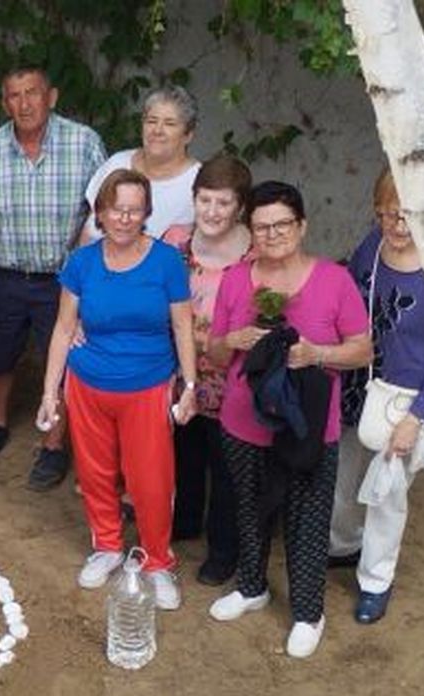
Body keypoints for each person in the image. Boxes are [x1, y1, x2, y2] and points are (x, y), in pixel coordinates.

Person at [206, 180, 372, 659]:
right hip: (243, 420)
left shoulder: (334, 281)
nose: (273, 234)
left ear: (301, 226)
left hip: (307, 426)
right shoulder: (237, 279)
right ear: (250, 232)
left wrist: (317, 353)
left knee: (307, 518)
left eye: (282, 224)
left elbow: (362, 350)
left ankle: (307, 613)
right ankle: (252, 587)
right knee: (249, 507)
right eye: (262, 227)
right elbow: (215, 354)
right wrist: (232, 339)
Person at [37, 169, 196, 610]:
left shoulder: (166, 260)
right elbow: (65, 328)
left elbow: (182, 323)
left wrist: (190, 382)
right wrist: (51, 392)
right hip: (88, 384)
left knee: (151, 480)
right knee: (94, 473)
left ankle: (158, 561)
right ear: (100, 213)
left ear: (146, 212)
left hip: (147, 386)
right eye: (116, 209)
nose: (125, 218)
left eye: (134, 209)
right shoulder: (82, 262)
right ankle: (107, 546)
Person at [0, 63, 104, 485]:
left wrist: (88, 280)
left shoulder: (84, 144)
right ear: (5, 102)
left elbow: (102, 214)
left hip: (63, 281)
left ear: (52, 96)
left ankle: (54, 445)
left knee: (60, 363)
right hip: (4, 276)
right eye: (13, 95)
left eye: (32, 93)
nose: (24, 103)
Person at [329, 167, 424, 624]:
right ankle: (344, 545)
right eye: (388, 215)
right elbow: (348, 295)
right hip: (358, 384)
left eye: (408, 217)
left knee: (387, 495)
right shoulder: (373, 247)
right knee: (343, 476)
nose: (398, 227)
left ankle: (375, 580)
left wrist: (415, 417)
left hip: (405, 399)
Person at [164, 155, 253, 587]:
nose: (212, 211)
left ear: (239, 207)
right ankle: (184, 522)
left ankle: (223, 550)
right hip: (181, 375)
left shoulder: (256, 254)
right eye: (205, 200)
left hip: (233, 380)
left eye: (223, 203)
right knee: (184, 452)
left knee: (227, 466)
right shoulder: (175, 241)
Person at [81, 86, 200, 243]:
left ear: (188, 135)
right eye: (151, 121)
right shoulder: (118, 163)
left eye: (169, 124)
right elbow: (89, 229)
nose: (157, 130)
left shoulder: (200, 181)